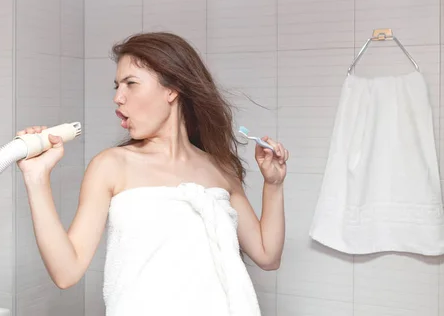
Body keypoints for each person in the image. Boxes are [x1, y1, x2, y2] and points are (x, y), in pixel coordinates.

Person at [16, 32, 289, 315]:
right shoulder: (111, 165)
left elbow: (267, 255)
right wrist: (36, 178)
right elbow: (66, 272)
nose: (118, 98)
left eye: (130, 84)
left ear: (172, 90)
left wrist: (274, 184)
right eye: (117, 86)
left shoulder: (220, 169)